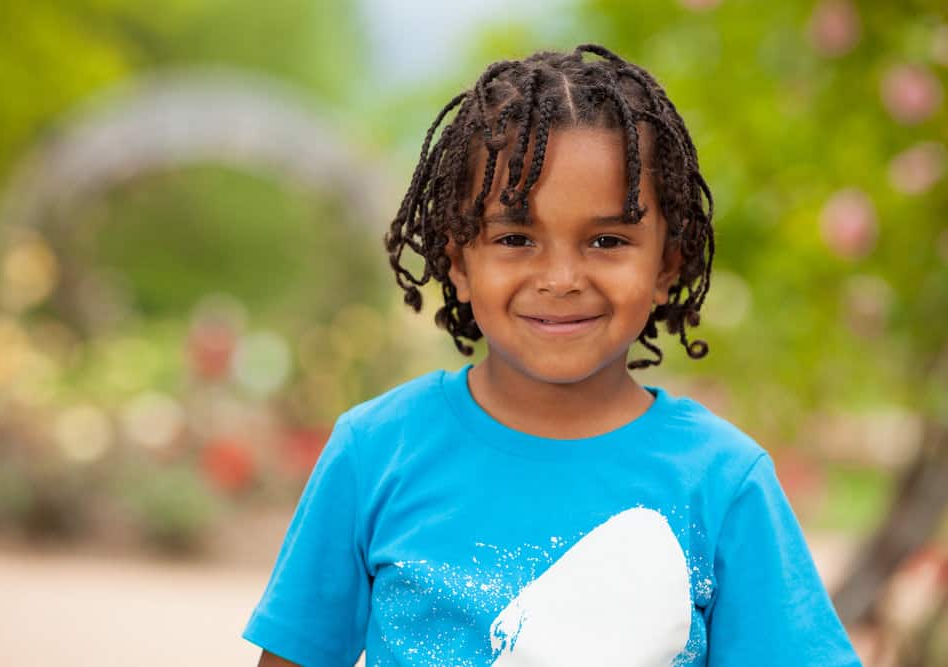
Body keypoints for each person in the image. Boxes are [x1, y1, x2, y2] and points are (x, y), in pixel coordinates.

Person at [242, 44, 863, 666]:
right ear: (459, 263)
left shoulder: (723, 481)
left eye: (606, 239)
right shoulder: (375, 452)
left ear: (666, 267)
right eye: (515, 238)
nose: (561, 277)